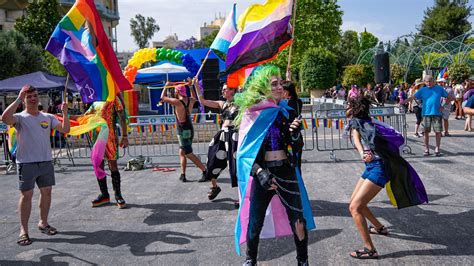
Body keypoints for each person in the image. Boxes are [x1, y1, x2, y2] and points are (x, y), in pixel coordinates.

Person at [234, 65, 315, 266]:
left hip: (286, 172)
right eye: (274, 84)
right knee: (255, 222)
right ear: (262, 88)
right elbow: (244, 155)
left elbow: (295, 147)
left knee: (298, 220)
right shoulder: (252, 115)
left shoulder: (286, 112)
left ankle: (303, 261)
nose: (280, 87)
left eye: (280, 83)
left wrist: (294, 135)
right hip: (264, 174)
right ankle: (250, 259)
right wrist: (260, 172)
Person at [346, 96, 428, 259]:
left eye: (348, 106)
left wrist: (368, 152)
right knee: (356, 204)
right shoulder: (363, 122)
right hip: (371, 167)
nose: (345, 109)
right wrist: (363, 152)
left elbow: (363, 139)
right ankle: (379, 227)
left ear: (354, 109)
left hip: (380, 168)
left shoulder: (367, 125)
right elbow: (356, 137)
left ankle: (370, 249)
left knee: (355, 208)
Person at [2, 85, 70, 246]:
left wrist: (65, 113)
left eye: (34, 95)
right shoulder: (19, 117)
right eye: (29, 96)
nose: (33, 98)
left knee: (47, 192)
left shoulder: (47, 117)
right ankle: (23, 230)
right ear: (24, 100)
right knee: (27, 195)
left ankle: (43, 223)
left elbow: (65, 129)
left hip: (45, 161)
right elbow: (5, 118)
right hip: (26, 163)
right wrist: (18, 98)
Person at [74, 96, 129, 208]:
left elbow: (122, 118)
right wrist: (64, 115)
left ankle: (118, 195)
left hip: (111, 138)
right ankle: (104, 195)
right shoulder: (95, 102)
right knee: (98, 165)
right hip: (97, 138)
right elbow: (85, 117)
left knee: (113, 165)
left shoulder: (114, 99)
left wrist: (124, 136)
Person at [191, 81, 239, 202]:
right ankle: (214, 187)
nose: (223, 91)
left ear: (233, 90)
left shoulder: (241, 104)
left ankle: (241, 196)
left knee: (235, 167)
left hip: (235, 136)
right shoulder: (221, 104)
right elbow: (202, 101)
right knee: (212, 161)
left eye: (226, 89)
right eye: (223, 89)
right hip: (222, 135)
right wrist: (196, 86)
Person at [161, 82, 206, 182]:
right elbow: (194, 97)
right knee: (182, 152)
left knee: (188, 153)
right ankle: (183, 174)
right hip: (188, 127)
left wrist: (166, 86)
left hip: (183, 129)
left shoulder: (177, 102)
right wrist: (190, 86)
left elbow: (162, 97)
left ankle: (204, 171)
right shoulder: (190, 100)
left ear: (177, 91)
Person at [407, 75, 448, 156]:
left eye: (430, 81)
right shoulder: (422, 90)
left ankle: (437, 148)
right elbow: (413, 97)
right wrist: (403, 102)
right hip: (426, 113)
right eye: (427, 81)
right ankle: (426, 149)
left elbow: (449, 97)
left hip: (437, 113)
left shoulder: (439, 89)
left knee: (438, 132)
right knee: (425, 132)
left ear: (433, 81)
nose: (428, 83)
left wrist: (443, 106)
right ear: (425, 82)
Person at [282, 80, 304, 170]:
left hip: (289, 136)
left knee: (291, 163)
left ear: (286, 92)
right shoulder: (298, 102)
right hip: (298, 136)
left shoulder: (286, 104)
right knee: (297, 162)